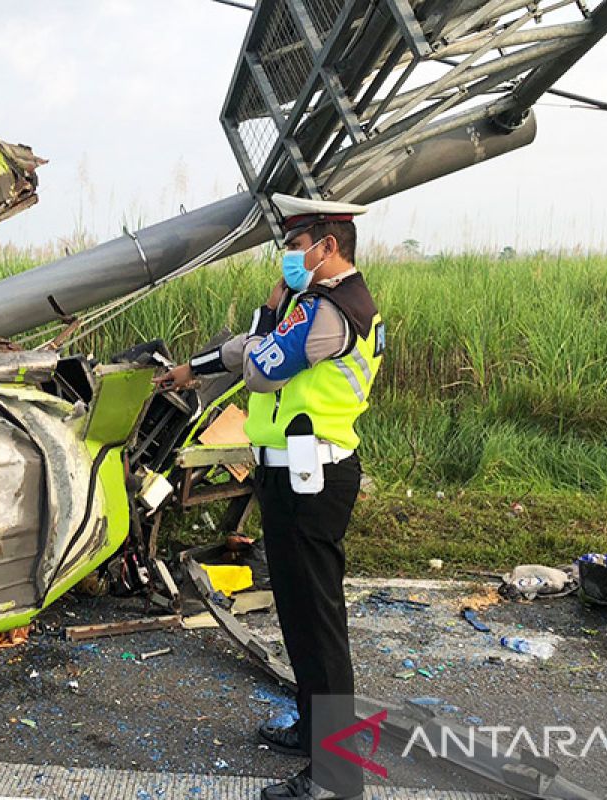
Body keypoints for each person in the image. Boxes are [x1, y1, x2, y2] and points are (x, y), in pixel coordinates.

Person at [156, 194, 384, 800]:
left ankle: (337, 776)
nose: (287, 255)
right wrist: (195, 367)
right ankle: (314, 730)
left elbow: (260, 368)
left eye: (294, 243)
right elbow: (248, 346)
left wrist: (268, 322)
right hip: (288, 475)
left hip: (313, 479)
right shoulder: (313, 304)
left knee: (318, 622)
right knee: (298, 614)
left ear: (326, 247)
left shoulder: (332, 312)